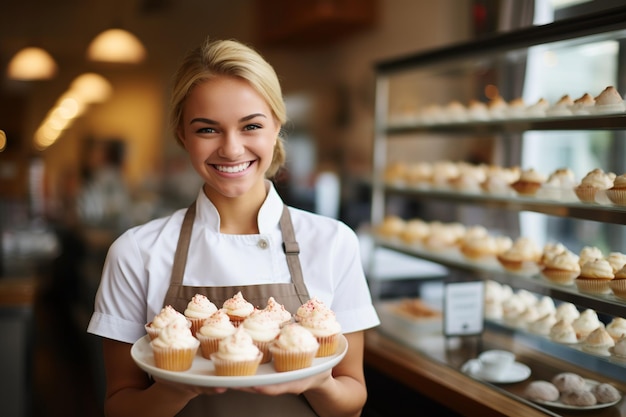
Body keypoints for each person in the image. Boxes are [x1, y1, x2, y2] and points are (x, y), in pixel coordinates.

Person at [87, 37, 380, 417]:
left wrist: (318, 381)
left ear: (277, 125)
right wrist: (179, 388)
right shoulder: (135, 253)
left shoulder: (333, 242)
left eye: (251, 126)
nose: (231, 149)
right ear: (182, 135)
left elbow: (352, 399)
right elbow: (120, 407)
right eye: (207, 129)